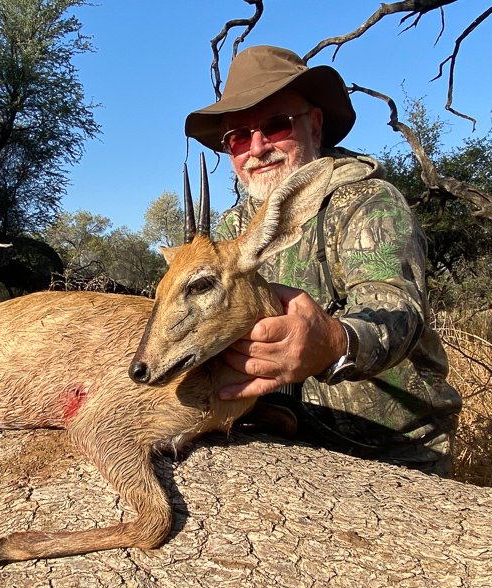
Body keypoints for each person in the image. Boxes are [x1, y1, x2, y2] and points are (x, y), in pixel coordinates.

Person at [184, 45, 462, 477]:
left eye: (275, 127)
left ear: (314, 126)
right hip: (282, 438)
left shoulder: (369, 203)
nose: (256, 149)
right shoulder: (231, 230)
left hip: (389, 447)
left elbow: (397, 309)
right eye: (238, 136)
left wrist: (334, 343)